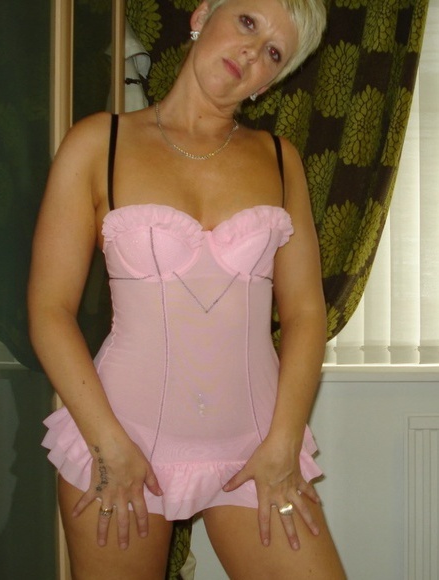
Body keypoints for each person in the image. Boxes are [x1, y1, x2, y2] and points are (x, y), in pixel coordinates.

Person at [28, 0, 346, 578]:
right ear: (202, 16)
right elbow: (49, 309)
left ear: (271, 81)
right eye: (247, 22)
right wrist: (107, 443)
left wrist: (284, 442)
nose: (252, 51)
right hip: (120, 439)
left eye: (274, 52)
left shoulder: (281, 160)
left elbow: (305, 313)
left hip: (258, 447)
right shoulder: (99, 143)